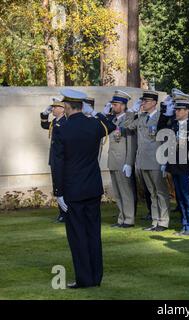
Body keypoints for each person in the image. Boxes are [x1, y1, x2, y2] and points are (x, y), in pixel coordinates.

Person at [52, 89, 116, 289]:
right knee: (93, 234)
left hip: (72, 189)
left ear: (68, 107)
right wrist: (95, 113)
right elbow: (111, 125)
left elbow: (58, 163)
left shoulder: (62, 128)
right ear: (83, 106)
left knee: (78, 236)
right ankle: (96, 278)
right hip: (92, 187)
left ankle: (84, 279)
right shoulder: (94, 124)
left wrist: (58, 192)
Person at [124, 90, 170, 232]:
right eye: (142, 101)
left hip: (156, 160)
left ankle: (164, 221)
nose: (143, 103)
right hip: (143, 160)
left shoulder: (160, 118)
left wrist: (164, 161)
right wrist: (132, 110)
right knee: (151, 192)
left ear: (154, 103)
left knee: (161, 192)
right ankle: (155, 221)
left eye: (146, 101)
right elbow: (127, 125)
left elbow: (166, 140)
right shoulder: (141, 117)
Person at [159, 97, 189, 235]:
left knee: (188, 197)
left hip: (187, 167)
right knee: (180, 198)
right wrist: (166, 163)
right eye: (176, 109)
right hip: (175, 166)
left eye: (180, 109)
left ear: (187, 111)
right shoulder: (174, 125)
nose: (177, 112)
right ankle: (185, 224)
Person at [107, 90, 137, 228]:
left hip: (123, 161)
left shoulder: (127, 120)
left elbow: (131, 143)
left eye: (117, 104)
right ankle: (121, 218)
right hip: (113, 161)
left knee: (126, 192)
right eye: (113, 104)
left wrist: (129, 163)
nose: (114, 106)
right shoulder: (113, 120)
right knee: (118, 193)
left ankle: (129, 219)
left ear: (124, 106)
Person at [40, 97, 67, 223]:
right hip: (55, 160)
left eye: (55, 107)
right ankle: (62, 213)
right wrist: (44, 114)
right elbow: (44, 124)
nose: (53, 109)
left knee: (62, 187)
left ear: (62, 109)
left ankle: (65, 213)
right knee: (57, 186)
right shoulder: (56, 121)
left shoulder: (65, 122)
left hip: (62, 160)